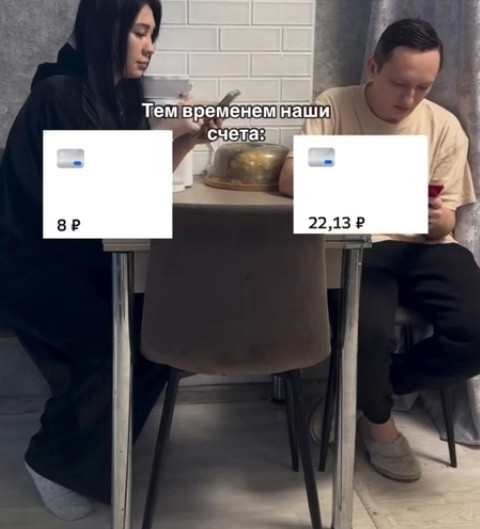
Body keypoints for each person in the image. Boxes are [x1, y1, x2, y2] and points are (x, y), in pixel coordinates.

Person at [0, 0, 219, 520]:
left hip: (83, 260)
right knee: (123, 341)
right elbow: (98, 198)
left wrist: (186, 139)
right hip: (35, 269)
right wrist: (165, 133)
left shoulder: (109, 95)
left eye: (153, 34)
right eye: (140, 33)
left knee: (160, 333)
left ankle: (94, 448)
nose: (150, 47)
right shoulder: (59, 94)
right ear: (106, 29)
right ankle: (52, 461)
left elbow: (132, 189)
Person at [279, 18, 480, 482]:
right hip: (358, 241)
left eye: (423, 87)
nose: (409, 99)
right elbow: (290, 180)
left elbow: (449, 219)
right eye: (399, 84)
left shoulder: (444, 126)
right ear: (373, 67)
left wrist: (437, 218)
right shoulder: (335, 104)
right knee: (368, 335)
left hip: (426, 246)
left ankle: (361, 394)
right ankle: (379, 424)